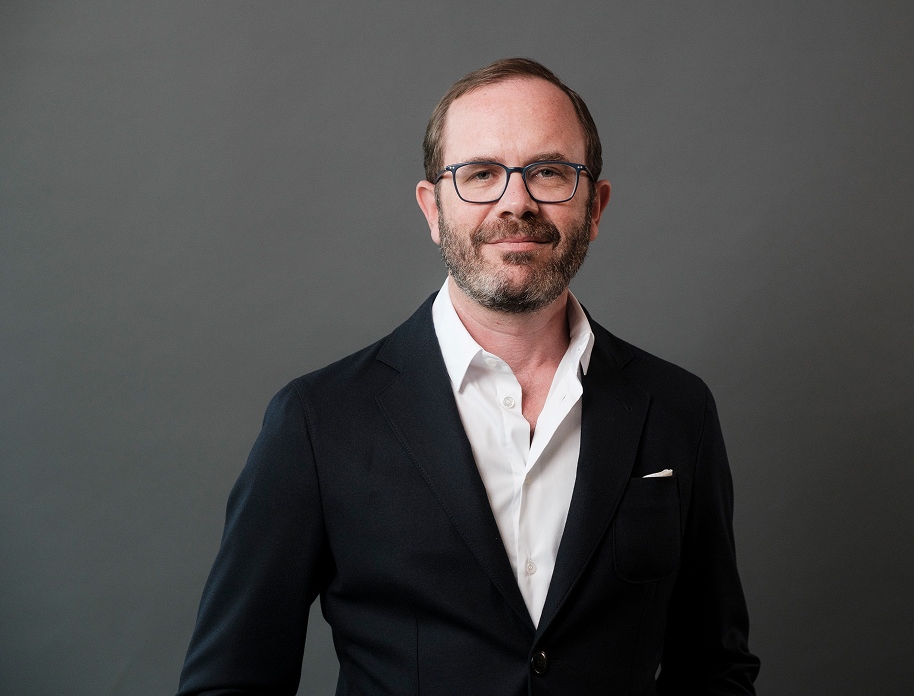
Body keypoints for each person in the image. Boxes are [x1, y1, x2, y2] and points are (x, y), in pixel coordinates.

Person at [178, 58, 759, 694]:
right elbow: (228, 683)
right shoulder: (317, 421)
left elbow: (714, 671)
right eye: (481, 174)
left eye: (549, 172)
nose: (516, 202)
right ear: (433, 209)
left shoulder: (677, 409)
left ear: (595, 207)